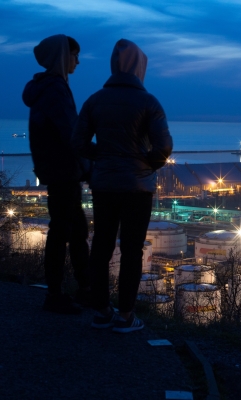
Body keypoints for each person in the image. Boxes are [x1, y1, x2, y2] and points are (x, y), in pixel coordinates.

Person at [73, 39, 173, 333]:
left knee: (101, 246)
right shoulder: (149, 102)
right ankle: (126, 314)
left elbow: (77, 142)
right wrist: (146, 164)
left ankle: (101, 310)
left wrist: (102, 158)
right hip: (137, 187)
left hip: (104, 185)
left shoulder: (94, 100)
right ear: (140, 68)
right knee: (132, 250)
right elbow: (164, 145)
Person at [22, 34, 91, 314]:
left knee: (73, 230)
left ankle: (79, 289)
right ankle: (59, 293)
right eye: (74, 55)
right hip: (64, 171)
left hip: (56, 169)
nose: (77, 61)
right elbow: (70, 132)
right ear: (63, 57)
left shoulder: (45, 88)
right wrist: (90, 162)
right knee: (64, 230)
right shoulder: (55, 89)